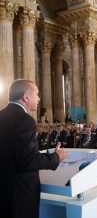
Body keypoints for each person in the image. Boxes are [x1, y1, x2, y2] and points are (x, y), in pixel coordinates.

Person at [0, 79, 68, 218]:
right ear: (25, 97)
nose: (39, 98)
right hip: (20, 192)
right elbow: (28, 160)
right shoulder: (25, 120)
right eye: (36, 94)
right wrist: (56, 157)